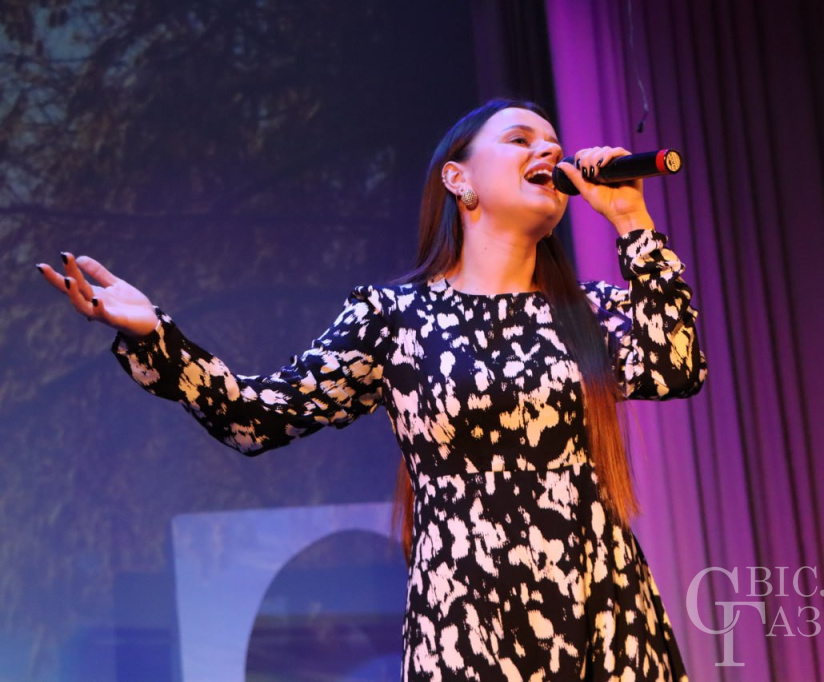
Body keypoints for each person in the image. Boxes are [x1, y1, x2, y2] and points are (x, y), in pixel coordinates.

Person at [37, 98, 706, 681]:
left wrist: (632, 221)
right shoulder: (395, 317)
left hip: (603, 605)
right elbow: (256, 417)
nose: (550, 151)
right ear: (459, 179)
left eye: (554, 143)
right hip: (469, 618)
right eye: (520, 139)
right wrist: (155, 334)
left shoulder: (588, 310)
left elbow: (677, 367)